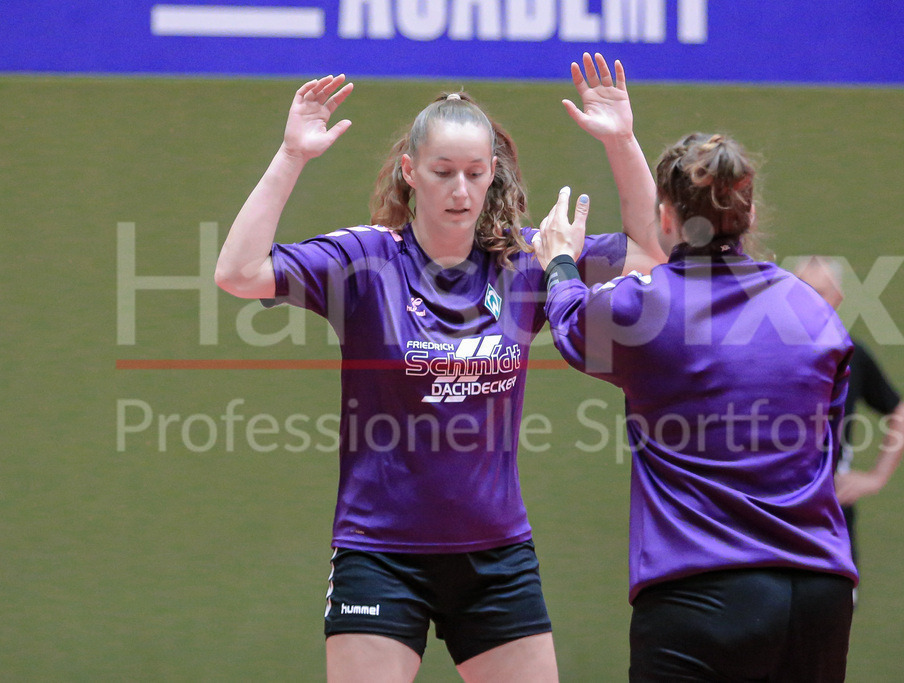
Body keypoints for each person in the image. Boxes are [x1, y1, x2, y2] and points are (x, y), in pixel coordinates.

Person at [214, 54, 663, 683]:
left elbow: (651, 251)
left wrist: (621, 140)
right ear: (409, 173)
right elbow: (236, 272)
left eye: (475, 173)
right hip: (380, 553)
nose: (460, 189)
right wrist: (291, 155)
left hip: (496, 556)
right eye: (443, 172)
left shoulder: (526, 263)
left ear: (492, 176)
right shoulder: (365, 260)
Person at [533, 133, 859, 681]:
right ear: (750, 212)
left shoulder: (648, 306)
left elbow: (571, 323)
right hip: (820, 596)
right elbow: (830, 439)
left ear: (666, 218)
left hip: (702, 594)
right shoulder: (813, 309)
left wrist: (560, 261)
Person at [793, 257, 904, 587]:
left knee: (830, 624)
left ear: (837, 298)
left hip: (832, 525)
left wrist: (876, 478)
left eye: (818, 292)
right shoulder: (770, 353)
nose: (809, 302)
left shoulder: (851, 355)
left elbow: (901, 413)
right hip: (779, 518)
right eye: (800, 292)